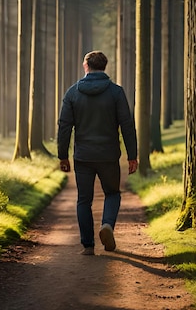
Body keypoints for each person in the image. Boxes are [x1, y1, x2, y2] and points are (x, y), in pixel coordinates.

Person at [57, 51, 138, 255]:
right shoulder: (116, 92)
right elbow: (127, 125)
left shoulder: (72, 93)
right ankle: (107, 225)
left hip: (83, 156)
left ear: (86, 66)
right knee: (112, 193)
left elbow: (64, 126)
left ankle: (88, 246)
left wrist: (62, 156)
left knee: (84, 200)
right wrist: (132, 155)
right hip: (108, 155)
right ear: (104, 66)